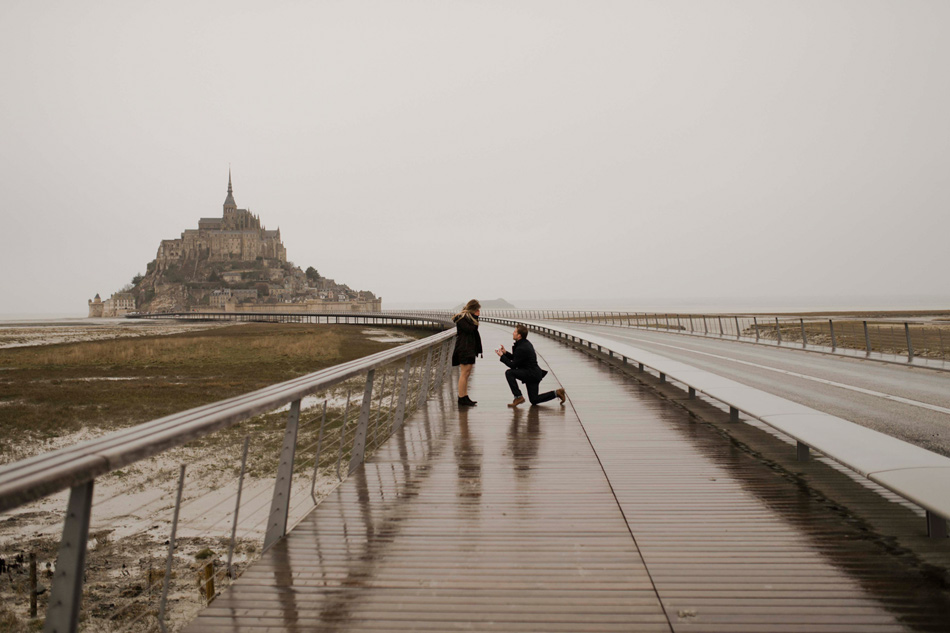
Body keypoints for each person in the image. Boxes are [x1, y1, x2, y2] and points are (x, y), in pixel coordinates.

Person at [496, 323, 566, 407]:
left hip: (531, 374)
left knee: (509, 373)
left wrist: (502, 356)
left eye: (515, 332)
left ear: (519, 336)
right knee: (534, 400)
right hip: (533, 373)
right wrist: (505, 353)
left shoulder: (522, 347)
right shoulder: (524, 343)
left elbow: (513, 365)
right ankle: (557, 393)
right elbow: (517, 358)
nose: (513, 333)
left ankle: (518, 397)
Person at [452, 299, 483, 407]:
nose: (479, 311)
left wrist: (475, 318)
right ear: (473, 309)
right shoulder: (462, 318)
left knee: (467, 372)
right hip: (464, 348)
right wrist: (475, 318)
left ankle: (465, 396)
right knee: (464, 373)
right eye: (477, 310)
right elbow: (470, 329)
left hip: (469, 347)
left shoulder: (469, 318)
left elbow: (473, 329)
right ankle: (461, 398)